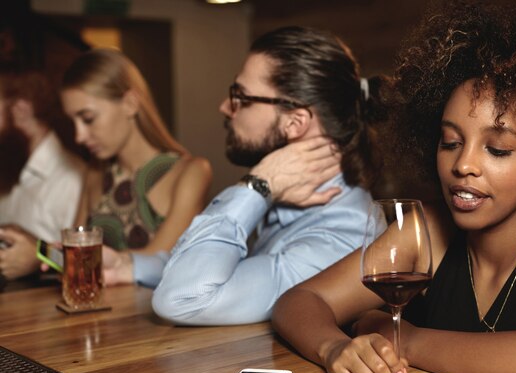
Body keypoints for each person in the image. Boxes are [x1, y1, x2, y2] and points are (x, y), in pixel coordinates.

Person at [272, 0, 516, 373]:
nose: (463, 165)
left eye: (497, 149)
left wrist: (404, 336)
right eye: (451, 142)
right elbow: (297, 302)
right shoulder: (429, 230)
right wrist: (334, 348)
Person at [105, 26, 378, 326]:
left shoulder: (340, 237)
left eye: (241, 97)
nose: (225, 107)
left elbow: (184, 297)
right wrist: (130, 267)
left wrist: (258, 185)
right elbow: (221, 266)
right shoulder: (293, 198)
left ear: (295, 122)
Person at [60, 48, 212, 254]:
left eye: (88, 119)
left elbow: (158, 261)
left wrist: (76, 258)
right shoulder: (96, 172)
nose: (79, 136)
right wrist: (40, 254)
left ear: (130, 104)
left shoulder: (191, 172)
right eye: (73, 123)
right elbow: (74, 253)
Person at [0, 70, 85, 281]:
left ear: (21, 110)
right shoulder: (11, 168)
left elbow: (81, 263)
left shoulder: (72, 178)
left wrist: (39, 256)